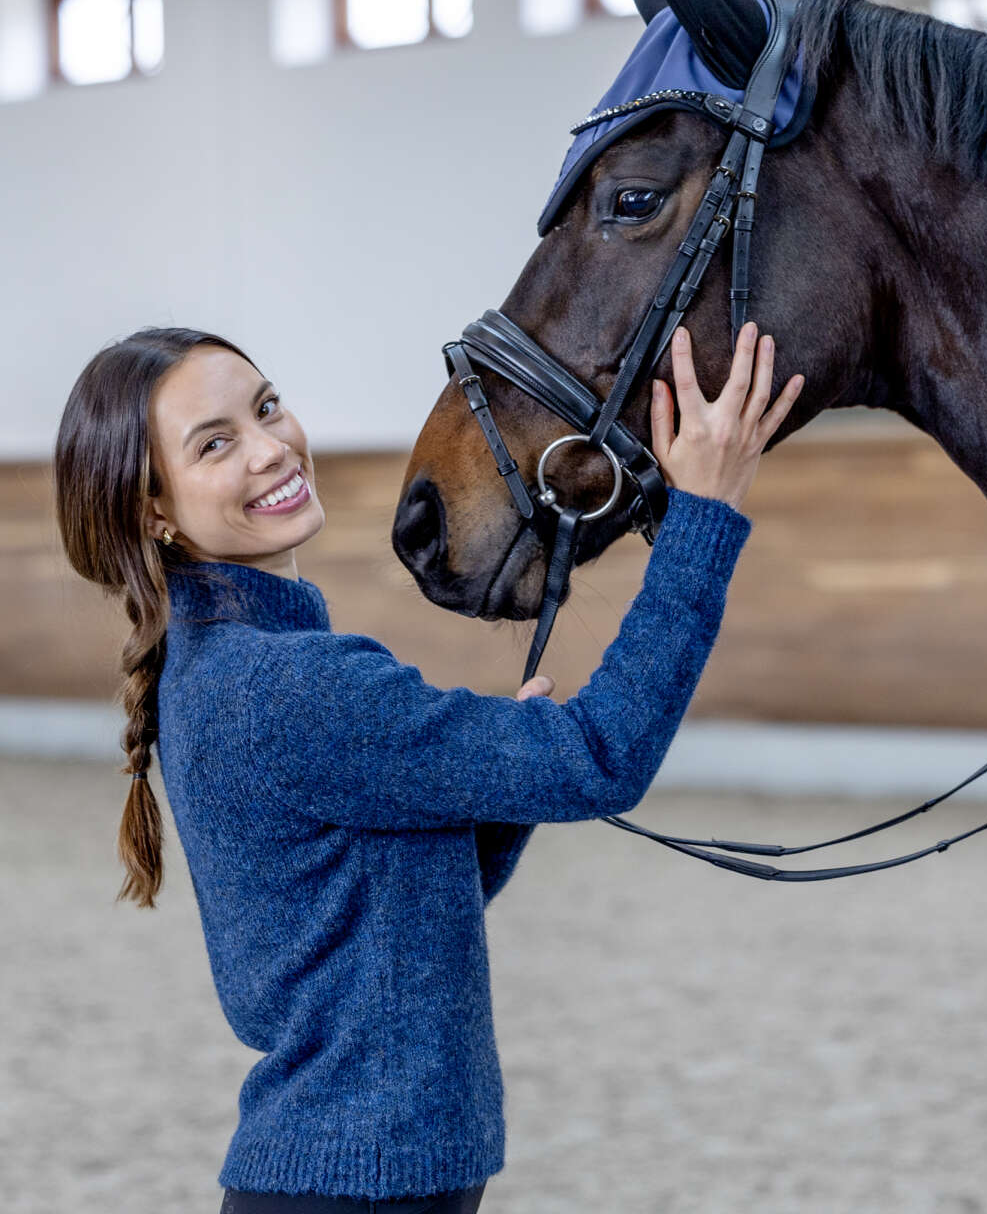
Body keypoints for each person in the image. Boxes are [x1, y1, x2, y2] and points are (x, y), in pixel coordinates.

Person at [53, 319, 803, 1213]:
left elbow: (393, 914)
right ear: (154, 510)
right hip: (355, 1186)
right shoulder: (289, 684)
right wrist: (702, 519)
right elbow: (600, 760)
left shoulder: (233, 667)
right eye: (215, 444)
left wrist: (497, 786)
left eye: (266, 408)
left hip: (356, 1176)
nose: (270, 449)